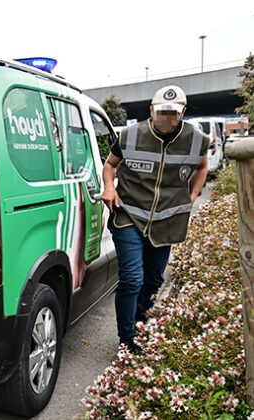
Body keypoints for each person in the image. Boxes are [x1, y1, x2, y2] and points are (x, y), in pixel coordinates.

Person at [100, 85, 209, 354]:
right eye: (161, 112)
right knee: (132, 279)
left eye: (173, 113)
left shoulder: (196, 139)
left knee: (154, 280)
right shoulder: (131, 135)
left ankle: (139, 316)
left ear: (183, 112)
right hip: (128, 215)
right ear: (152, 111)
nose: (167, 118)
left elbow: (203, 166)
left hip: (165, 221)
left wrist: (193, 196)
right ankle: (126, 340)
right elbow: (110, 165)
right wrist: (109, 187)